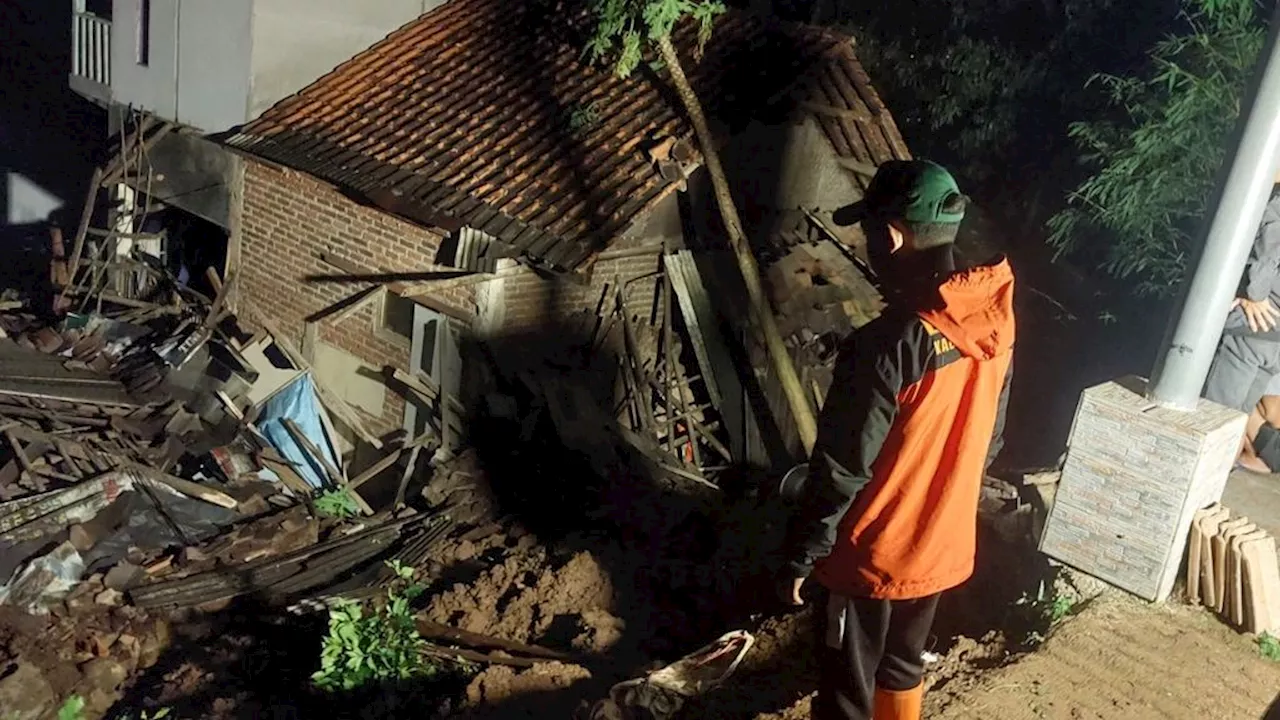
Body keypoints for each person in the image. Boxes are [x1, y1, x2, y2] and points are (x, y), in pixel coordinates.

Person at [776, 160, 1015, 720]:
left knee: (845, 694)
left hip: (872, 556)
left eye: (869, 234)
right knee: (902, 669)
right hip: (943, 543)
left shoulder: (886, 345)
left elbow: (842, 469)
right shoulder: (995, 323)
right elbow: (991, 440)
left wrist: (803, 555)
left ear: (891, 237)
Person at [1203, 173, 1280, 438]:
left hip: (1255, 325)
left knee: (1215, 415)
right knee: (1236, 418)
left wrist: (1255, 293)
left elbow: (1270, 243)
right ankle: (1220, 473)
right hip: (1275, 337)